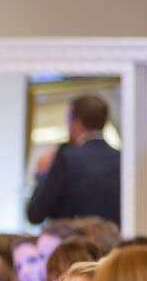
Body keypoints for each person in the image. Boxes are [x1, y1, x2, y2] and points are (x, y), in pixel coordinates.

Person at [26, 94, 122, 226]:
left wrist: (42, 174)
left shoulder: (67, 158)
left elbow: (35, 214)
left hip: (74, 244)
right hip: (110, 243)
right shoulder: (121, 159)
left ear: (75, 122)